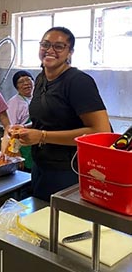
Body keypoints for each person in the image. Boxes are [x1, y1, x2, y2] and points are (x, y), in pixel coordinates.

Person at [16, 27, 111, 201]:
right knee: (39, 219)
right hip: (41, 166)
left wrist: (42, 136)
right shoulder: (41, 79)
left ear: (70, 52)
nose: (50, 50)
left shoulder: (78, 82)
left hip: (67, 170)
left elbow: (101, 131)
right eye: (45, 44)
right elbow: (50, 121)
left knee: (62, 224)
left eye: (59, 46)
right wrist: (25, 129)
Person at [6, 70, 34, 171]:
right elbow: (12, 130)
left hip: (36, 144)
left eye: (28, 80)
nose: (26, 83)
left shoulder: (38, 99)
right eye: (21, 82)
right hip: (23, 147)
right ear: (16, 87)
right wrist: (16, 152)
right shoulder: (14, 103)